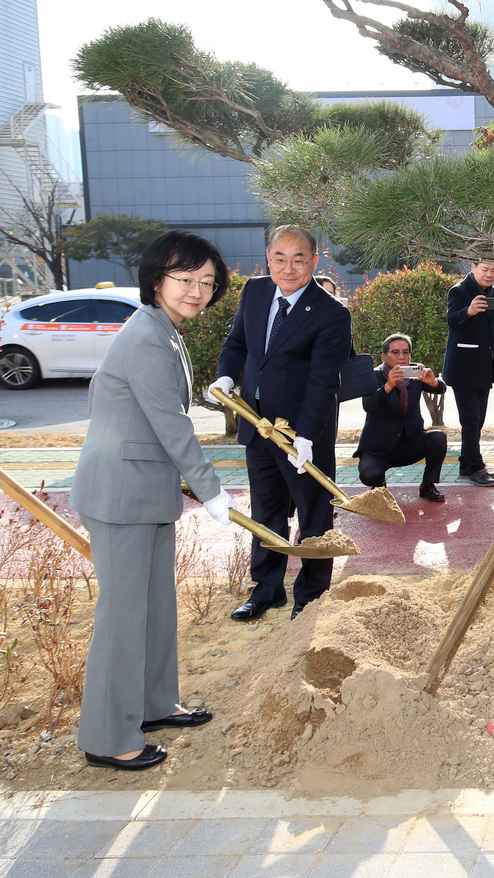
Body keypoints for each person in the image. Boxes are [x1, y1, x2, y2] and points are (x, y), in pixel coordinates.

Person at [71, 230, 236, 771]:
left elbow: (166, 411)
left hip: (145, 490)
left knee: (154, 607)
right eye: (184, 279)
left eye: (207, 282)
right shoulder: (146, 335)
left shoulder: (165, 330)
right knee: (122, 617)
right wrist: (211, 490)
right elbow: (171, 424)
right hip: (120, 492)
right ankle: (108, 737)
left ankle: (155, 704)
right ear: (156, 278)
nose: (196, 291)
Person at [208, 226, 353, 622]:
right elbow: (237, 343)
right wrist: (227, 375)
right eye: (279, 258)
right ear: (267, 258)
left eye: (299, 259)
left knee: (314, 514)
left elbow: (324, 381)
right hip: (257, 425)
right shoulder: (255, 292)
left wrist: (306, 435)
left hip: (303, 433)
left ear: (314, 260)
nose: (288, 268)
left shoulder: (332, 313)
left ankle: (312, 593)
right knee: (266, 512)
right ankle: (268, 589)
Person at [354, 333, 448, 502]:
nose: (401, 357)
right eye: (395, 352)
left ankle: (428, 485)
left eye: (406, 352)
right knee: (369, 474)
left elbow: (441, 389)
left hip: (410, 441)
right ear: (384, 356)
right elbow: (368, 405)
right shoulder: (373, 376)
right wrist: (388, 386)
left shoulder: (415, 372)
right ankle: (379, 485)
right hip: (379, 447)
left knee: (438, 438)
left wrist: (433, 382)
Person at [443, 263, 494, 486]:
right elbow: (451, 320)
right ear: (473, 267)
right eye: (485, 269)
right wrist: (467, 312)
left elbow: (493, 329)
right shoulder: (458, 290)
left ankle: (466, 464)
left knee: (478, 421)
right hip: (464, 367)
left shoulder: (493, 293)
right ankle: (476, 468)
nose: (489, 274)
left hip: (484, 366)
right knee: (470, 420)